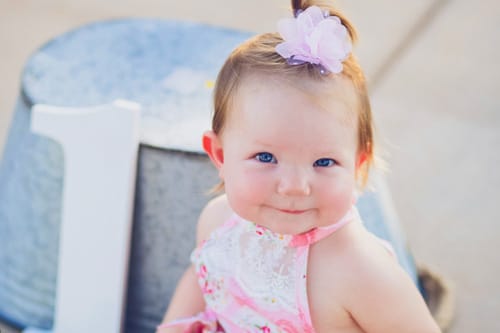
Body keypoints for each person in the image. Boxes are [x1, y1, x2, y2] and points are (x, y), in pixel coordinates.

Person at [157, 0, 441, 332]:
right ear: (219, 154)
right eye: (265, 158)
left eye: (324, 162)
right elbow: (202, 278)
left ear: (358, 165)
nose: (294, 185)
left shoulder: (360, 271)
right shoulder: (219, 224)